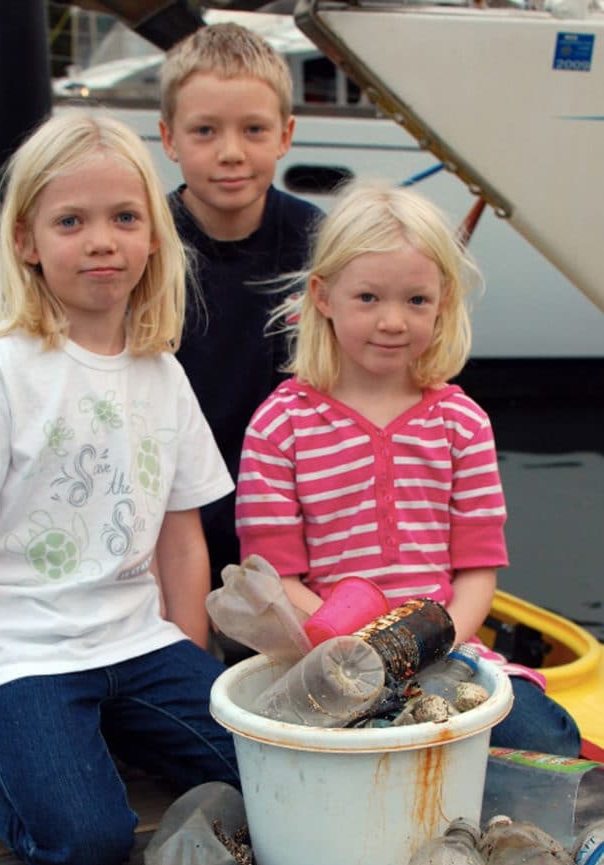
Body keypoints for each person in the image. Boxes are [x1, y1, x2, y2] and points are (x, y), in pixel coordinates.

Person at [0, 111, 239, 865]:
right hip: (24, 652)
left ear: (154, 236)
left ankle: (116, 727)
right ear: (26, 241)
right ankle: (2, 745)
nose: (101, 240)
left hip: (138, 640)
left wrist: (191, 673)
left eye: (125, 217)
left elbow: (183, 539)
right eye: (70, 220)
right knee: (85, 845)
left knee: (273, 769)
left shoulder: (163, 372)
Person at [235, 181, 580, 755]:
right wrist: (360, 653)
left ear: (442, 299)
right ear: (323, 296)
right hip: (325, 652)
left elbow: (476, 576)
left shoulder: (463, 423)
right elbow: (279, 582)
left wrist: (424, 644)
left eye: (415, 301)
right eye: (368, 298)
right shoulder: (278, 427)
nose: (393, 321)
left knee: (548, 740)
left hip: (446, 646)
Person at [158, 22, 323, 589]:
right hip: (170, 517)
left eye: (254, 129)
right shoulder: (144, 245)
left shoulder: (321, 241)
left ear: (285, 134)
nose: (231, 153)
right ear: (169, 138)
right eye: (205, 131)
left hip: (292, 518)